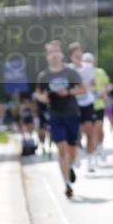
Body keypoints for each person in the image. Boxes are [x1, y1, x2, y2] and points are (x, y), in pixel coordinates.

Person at [35, 41, 86, 198]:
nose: (54, 55)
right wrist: (46, 98)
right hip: (55, 115)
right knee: (61, 148)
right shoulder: (44, 76)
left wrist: (68, 92)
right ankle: (66, 184)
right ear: (47, 56)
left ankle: (69, 167)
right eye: (51, 52)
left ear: (62, 54)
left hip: (71, 113)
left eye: (56, 51)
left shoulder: (70, 72)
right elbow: (39, 95)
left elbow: (83, 89)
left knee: (72, 148)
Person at [67, 43, 99, 173]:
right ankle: (78, 154)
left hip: (87, 102)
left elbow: (92, 84)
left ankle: (90, 160)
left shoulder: (88, 68)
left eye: (80, 55)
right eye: (76, 56)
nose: (78, 57)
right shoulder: (68, 70)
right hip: (74, 104)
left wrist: (88, 90)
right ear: (71, 57)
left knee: (89, 132)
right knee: (77, 133)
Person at [85, 53, 109, 163]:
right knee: (92, 131)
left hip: (99, 105)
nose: (89, 63)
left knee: (99, 129)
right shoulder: (83, 73)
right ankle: (92, 154)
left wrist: (103, 93)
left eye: (90, 61)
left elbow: (106, 84)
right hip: (88, 105)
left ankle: (100, 146)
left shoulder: (100, 72)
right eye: (86, 61)